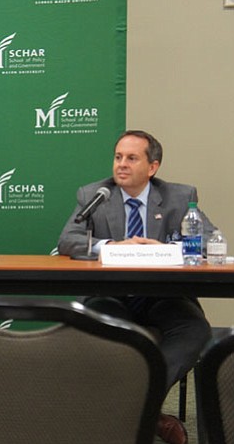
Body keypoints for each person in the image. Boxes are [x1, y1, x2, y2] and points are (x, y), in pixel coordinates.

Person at [58, 129, 214, 444]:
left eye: (131, 158)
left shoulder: (179, 197)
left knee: (195, 329)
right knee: (111, 329)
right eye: (118, 157)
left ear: (152, 167)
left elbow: (209, 241)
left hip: (162, 296)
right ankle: (147, 414)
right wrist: (114, 245)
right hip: (110, 295)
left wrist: (161, 248)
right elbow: (67, 241)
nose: (121, 165)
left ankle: (137, 405)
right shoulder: (95, 195)